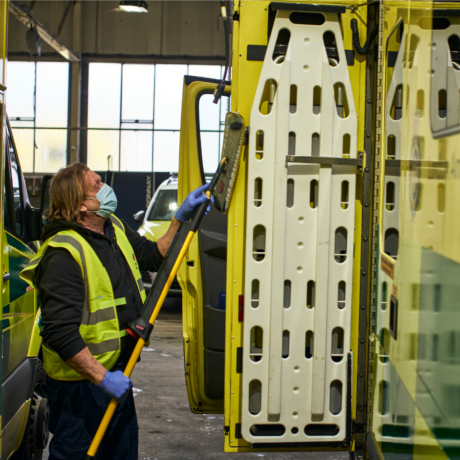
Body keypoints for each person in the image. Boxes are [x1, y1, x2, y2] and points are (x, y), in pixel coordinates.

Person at [20, 162, 209, 460]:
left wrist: (179, 219)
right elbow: (59, 332)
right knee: (77, 453)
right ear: (81, 206)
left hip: (117, 371)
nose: (106, 190)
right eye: (96, 187)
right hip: (81, 388)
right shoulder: (63, 253)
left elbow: (152, 255)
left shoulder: (114, 227)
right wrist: (102, 378)